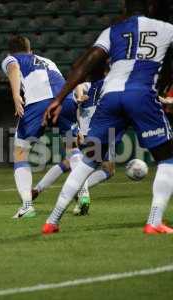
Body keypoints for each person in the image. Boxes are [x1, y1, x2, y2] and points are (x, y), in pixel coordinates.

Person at [42, 0, 173, 235]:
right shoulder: (166, 28)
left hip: (109, 97)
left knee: (88, 159)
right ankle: (154, 221)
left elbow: (82, 66)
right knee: (168, 158)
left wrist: (58, 99)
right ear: (152, 8)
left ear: (124, 10)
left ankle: (52, 220)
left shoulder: (111, 31)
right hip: (141, 94)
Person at [1, 35, 84, 219]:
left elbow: (13, 68)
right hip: (66, 100)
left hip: (39, 102)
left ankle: (27, 205)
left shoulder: (12, 58)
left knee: (20, 152)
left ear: (11, 51)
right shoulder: (48, 61)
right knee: (72, 149)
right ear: (31, 50)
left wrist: (16, 95)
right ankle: (83, 194)